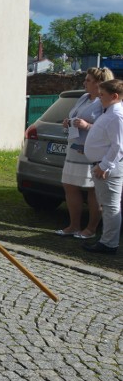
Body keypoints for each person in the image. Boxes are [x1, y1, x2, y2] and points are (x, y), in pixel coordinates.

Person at [56, 67, 114, 238]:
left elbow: (109, 126)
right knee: (69, 185)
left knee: (92, 190)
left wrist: (87, 126)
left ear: (99, 84)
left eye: (88, 80)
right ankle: (73, 225)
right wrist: (69, 121)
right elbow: (75, 114)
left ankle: (90, 229)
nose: (84, 82)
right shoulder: (84, 97)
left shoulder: (105, 102)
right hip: (74, 148)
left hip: (91, 152)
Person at [82, 78, 123, 255]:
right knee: (107, 206)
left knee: (111, 207)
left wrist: (104, 166)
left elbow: (119, 146)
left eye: (102, 95)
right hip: (101, 166)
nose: (99, 98)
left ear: (114, 96)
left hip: (106, 169)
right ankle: (107, 241)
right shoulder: (109, 112)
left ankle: (109, 244)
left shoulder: (116, 116)